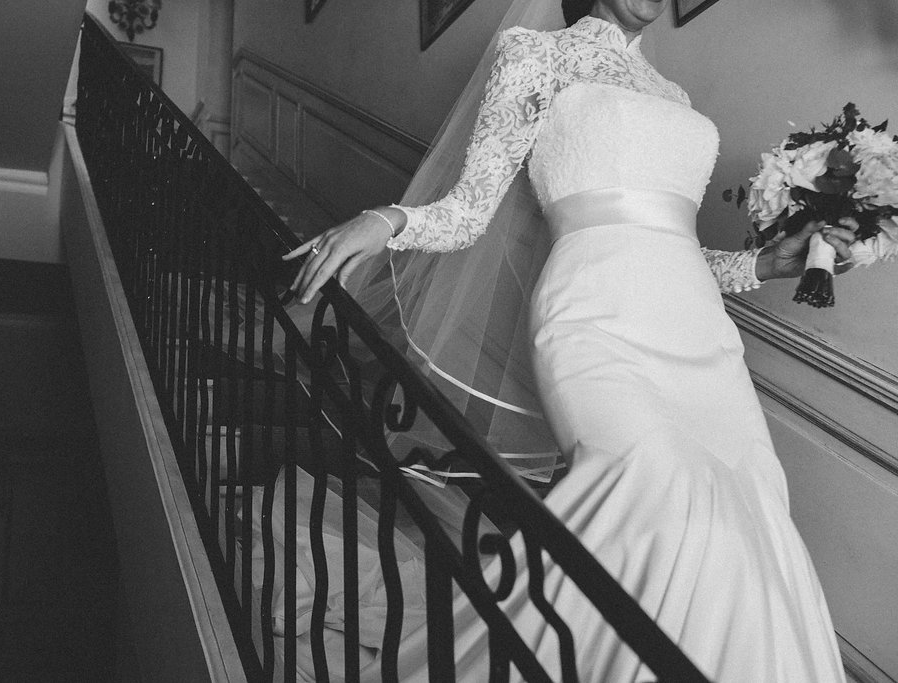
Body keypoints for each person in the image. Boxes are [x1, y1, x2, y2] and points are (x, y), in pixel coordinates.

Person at [280, 0, 857, 679]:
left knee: (754, 504)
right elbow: (469, 212)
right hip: (594, 316)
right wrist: (386, 220)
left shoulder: (674, 96)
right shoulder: (533, 55)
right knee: (653, 480)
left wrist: (766, 264)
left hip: (699, 332)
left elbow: (675, 248)